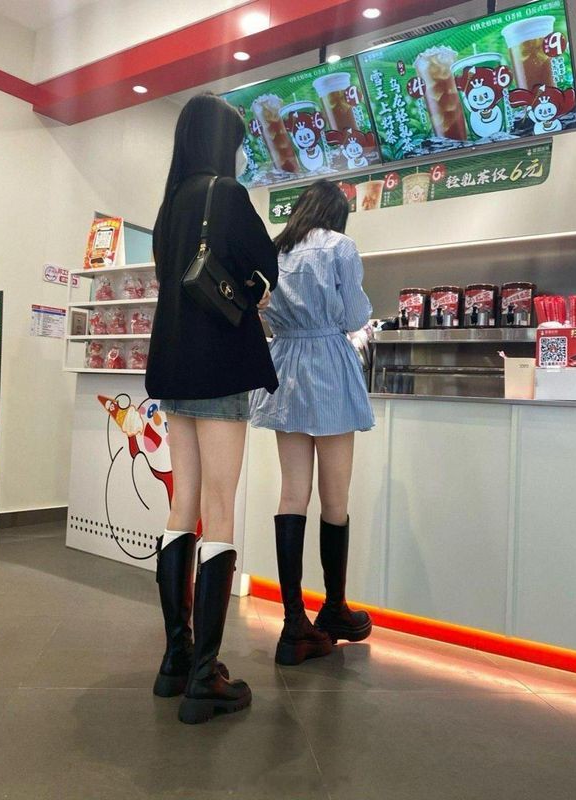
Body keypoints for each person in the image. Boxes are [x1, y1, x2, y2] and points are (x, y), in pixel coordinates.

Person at [145, 93, 278, 724]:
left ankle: (175, 660)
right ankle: (205, 676)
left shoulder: (170, 205)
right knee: (220, 509)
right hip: (219, 364)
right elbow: (266, 262)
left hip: (172, 365)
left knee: (184, 505)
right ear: (222, 142)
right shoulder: (227, 193)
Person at [250, 180, 375, 666]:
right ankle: (335, 609)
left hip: (285, 365)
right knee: (335, 498)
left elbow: (262, 309)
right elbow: (355, 314)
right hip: (328, 363)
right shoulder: (339, 246)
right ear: (335, 214)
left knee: (292, 494)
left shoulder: (275, 250)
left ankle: (293, 624)